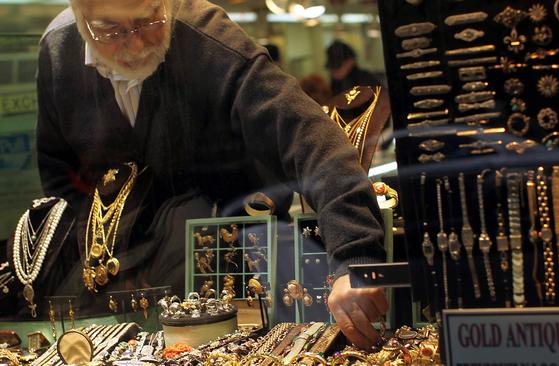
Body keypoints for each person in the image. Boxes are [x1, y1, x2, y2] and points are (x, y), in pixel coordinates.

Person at [36, 0, 387, 349]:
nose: (137, 43)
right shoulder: (57, 51)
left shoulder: (207, 37)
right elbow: (61, 179)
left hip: (238, 272)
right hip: (124, 293)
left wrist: (355, 257)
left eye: (148, 20)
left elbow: (310, 138)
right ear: (81, 19)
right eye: (112, 31)